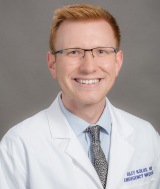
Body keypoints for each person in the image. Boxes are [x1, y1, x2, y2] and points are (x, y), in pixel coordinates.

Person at [0, 4, 159, 189]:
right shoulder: (17, 147)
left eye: (101, 51)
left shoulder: (147, 136)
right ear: (53, 64)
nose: (89, 67)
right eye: (73, 52)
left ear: (117, 62)